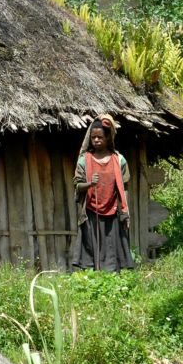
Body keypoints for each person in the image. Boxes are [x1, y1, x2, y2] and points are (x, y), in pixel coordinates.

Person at [71, 114, 134, 271]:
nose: (96, 140)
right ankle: (92, 281)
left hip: (113, 212)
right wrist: (89, 184)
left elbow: (124, 188)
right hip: (91, 213)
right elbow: (77, 186)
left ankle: (112, 281)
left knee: (113, 251)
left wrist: (125, 212)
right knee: (91, 252)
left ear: (108, 138)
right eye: (93, 138)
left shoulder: (119, 160)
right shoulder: (84, 160)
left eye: (100, 137)